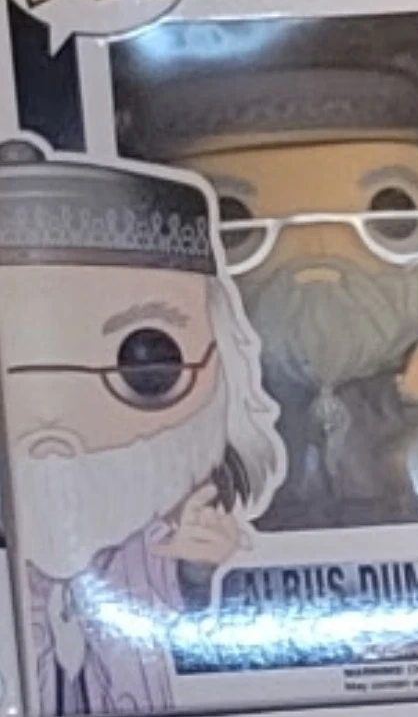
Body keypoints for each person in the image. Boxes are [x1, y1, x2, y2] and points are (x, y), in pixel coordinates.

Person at [0, 141, 285, 715]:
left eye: (148, 360)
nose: (54, 425)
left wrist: (199, 570)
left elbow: (215, 645)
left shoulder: (159, 534)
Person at [122, 67, 418, 529]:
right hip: (266, 525)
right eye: (235, 225)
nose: (318, 254)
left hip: (378, 516)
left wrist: (406, 396)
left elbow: (379, 420)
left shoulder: (374, 388)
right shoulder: (239, 396)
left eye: (391, 213)